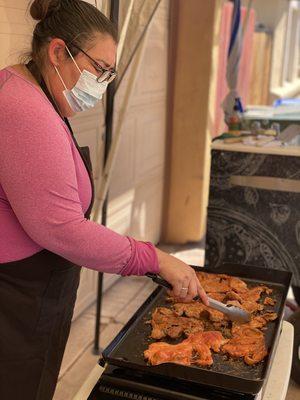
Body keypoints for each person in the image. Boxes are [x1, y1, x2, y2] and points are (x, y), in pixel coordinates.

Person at [0, 1, 208, 399]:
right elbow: (63, 230)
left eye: (109, 73)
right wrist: (155, 258)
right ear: (58, 52)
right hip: (14, 302)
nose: (103, 83)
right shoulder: (24, 110)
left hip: (31, 291)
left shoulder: (29, 90)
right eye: (99, 69)